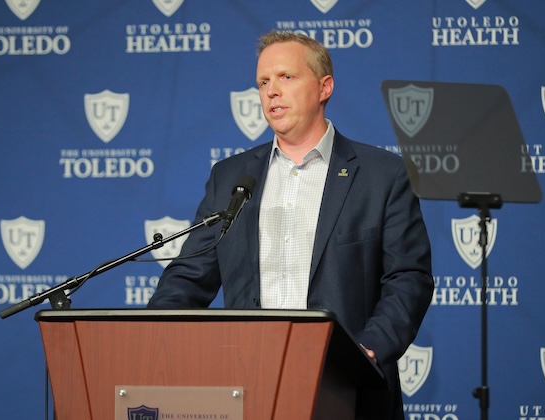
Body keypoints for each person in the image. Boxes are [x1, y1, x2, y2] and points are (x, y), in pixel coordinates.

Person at [147, 30, 433, 419]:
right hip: (245, 383)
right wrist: (150, 340)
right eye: (263, 82)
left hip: (345, 388)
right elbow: (189, 275)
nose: (271, 91)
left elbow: (408, 278)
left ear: (324, 87)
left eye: (286, 77)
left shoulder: (382, 175)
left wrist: (367, 351)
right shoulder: (231, 178)